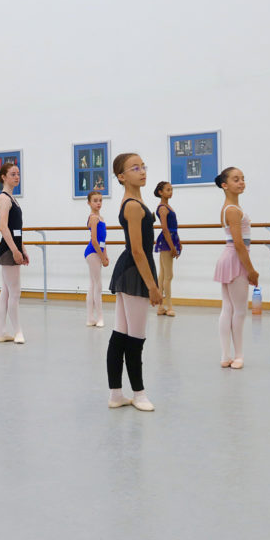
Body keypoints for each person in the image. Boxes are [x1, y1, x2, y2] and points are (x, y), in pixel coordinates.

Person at [106, 153, 161, 412]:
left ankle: (117, 393)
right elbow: (138, 250)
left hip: (131, 268)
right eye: (134, 168)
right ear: (121, 176)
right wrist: (152, 286)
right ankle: (138, 393)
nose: (142, 171)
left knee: (121, 334)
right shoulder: (132, 205)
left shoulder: (137, 201)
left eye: (143, 166)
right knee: (134, 338)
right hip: (135, 271)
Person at [213, 167, 259, 369]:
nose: (241, 182)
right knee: (239, 311)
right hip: (236, 258)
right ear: (225, 185)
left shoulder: (229, 208)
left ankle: (226, 356)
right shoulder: (232, 210)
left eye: (242, 179)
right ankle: (237, 355)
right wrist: (251, 270)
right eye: (235, 179)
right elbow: (240, 244)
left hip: (229, 257)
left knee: (228, 308)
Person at [0, 163, 28, 343]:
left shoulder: (12, 198)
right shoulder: (5, 199)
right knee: (14, 292)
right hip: (8, 250)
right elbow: (3, 226)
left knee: (6, 291)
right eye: (12, 174)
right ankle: (18, 332)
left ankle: (1, 332)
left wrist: (22, 248)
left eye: (18, 174)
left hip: (13, 248)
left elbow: (17, 229)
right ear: (3, 177)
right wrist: (15, 250)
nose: (16, 177)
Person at [153, 181, 181, 316]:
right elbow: (164, 229)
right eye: (168, 190)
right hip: (167, 240)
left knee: (163, 274)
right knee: (168, 275)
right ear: (160, 192)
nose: (171, 192)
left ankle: (160, 307)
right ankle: (168, 306)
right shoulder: (163, 208)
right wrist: (172, 246)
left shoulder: (167, 206)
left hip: (171, 238)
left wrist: (178, 242)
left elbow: (173, 227)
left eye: (171, 189)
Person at [84, 190, 108, 327]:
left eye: (100, 200)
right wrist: (101, 256)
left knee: (93, 285)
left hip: (98, 252)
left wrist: (105, 255)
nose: (98, 203)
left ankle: (90, 318)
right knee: (98, 285)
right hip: (93, 252)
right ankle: (99, 317)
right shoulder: (93, 218)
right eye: (95, 201)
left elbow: (103, 239)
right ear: (89, 203)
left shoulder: (101, 218)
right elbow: (94, 240)